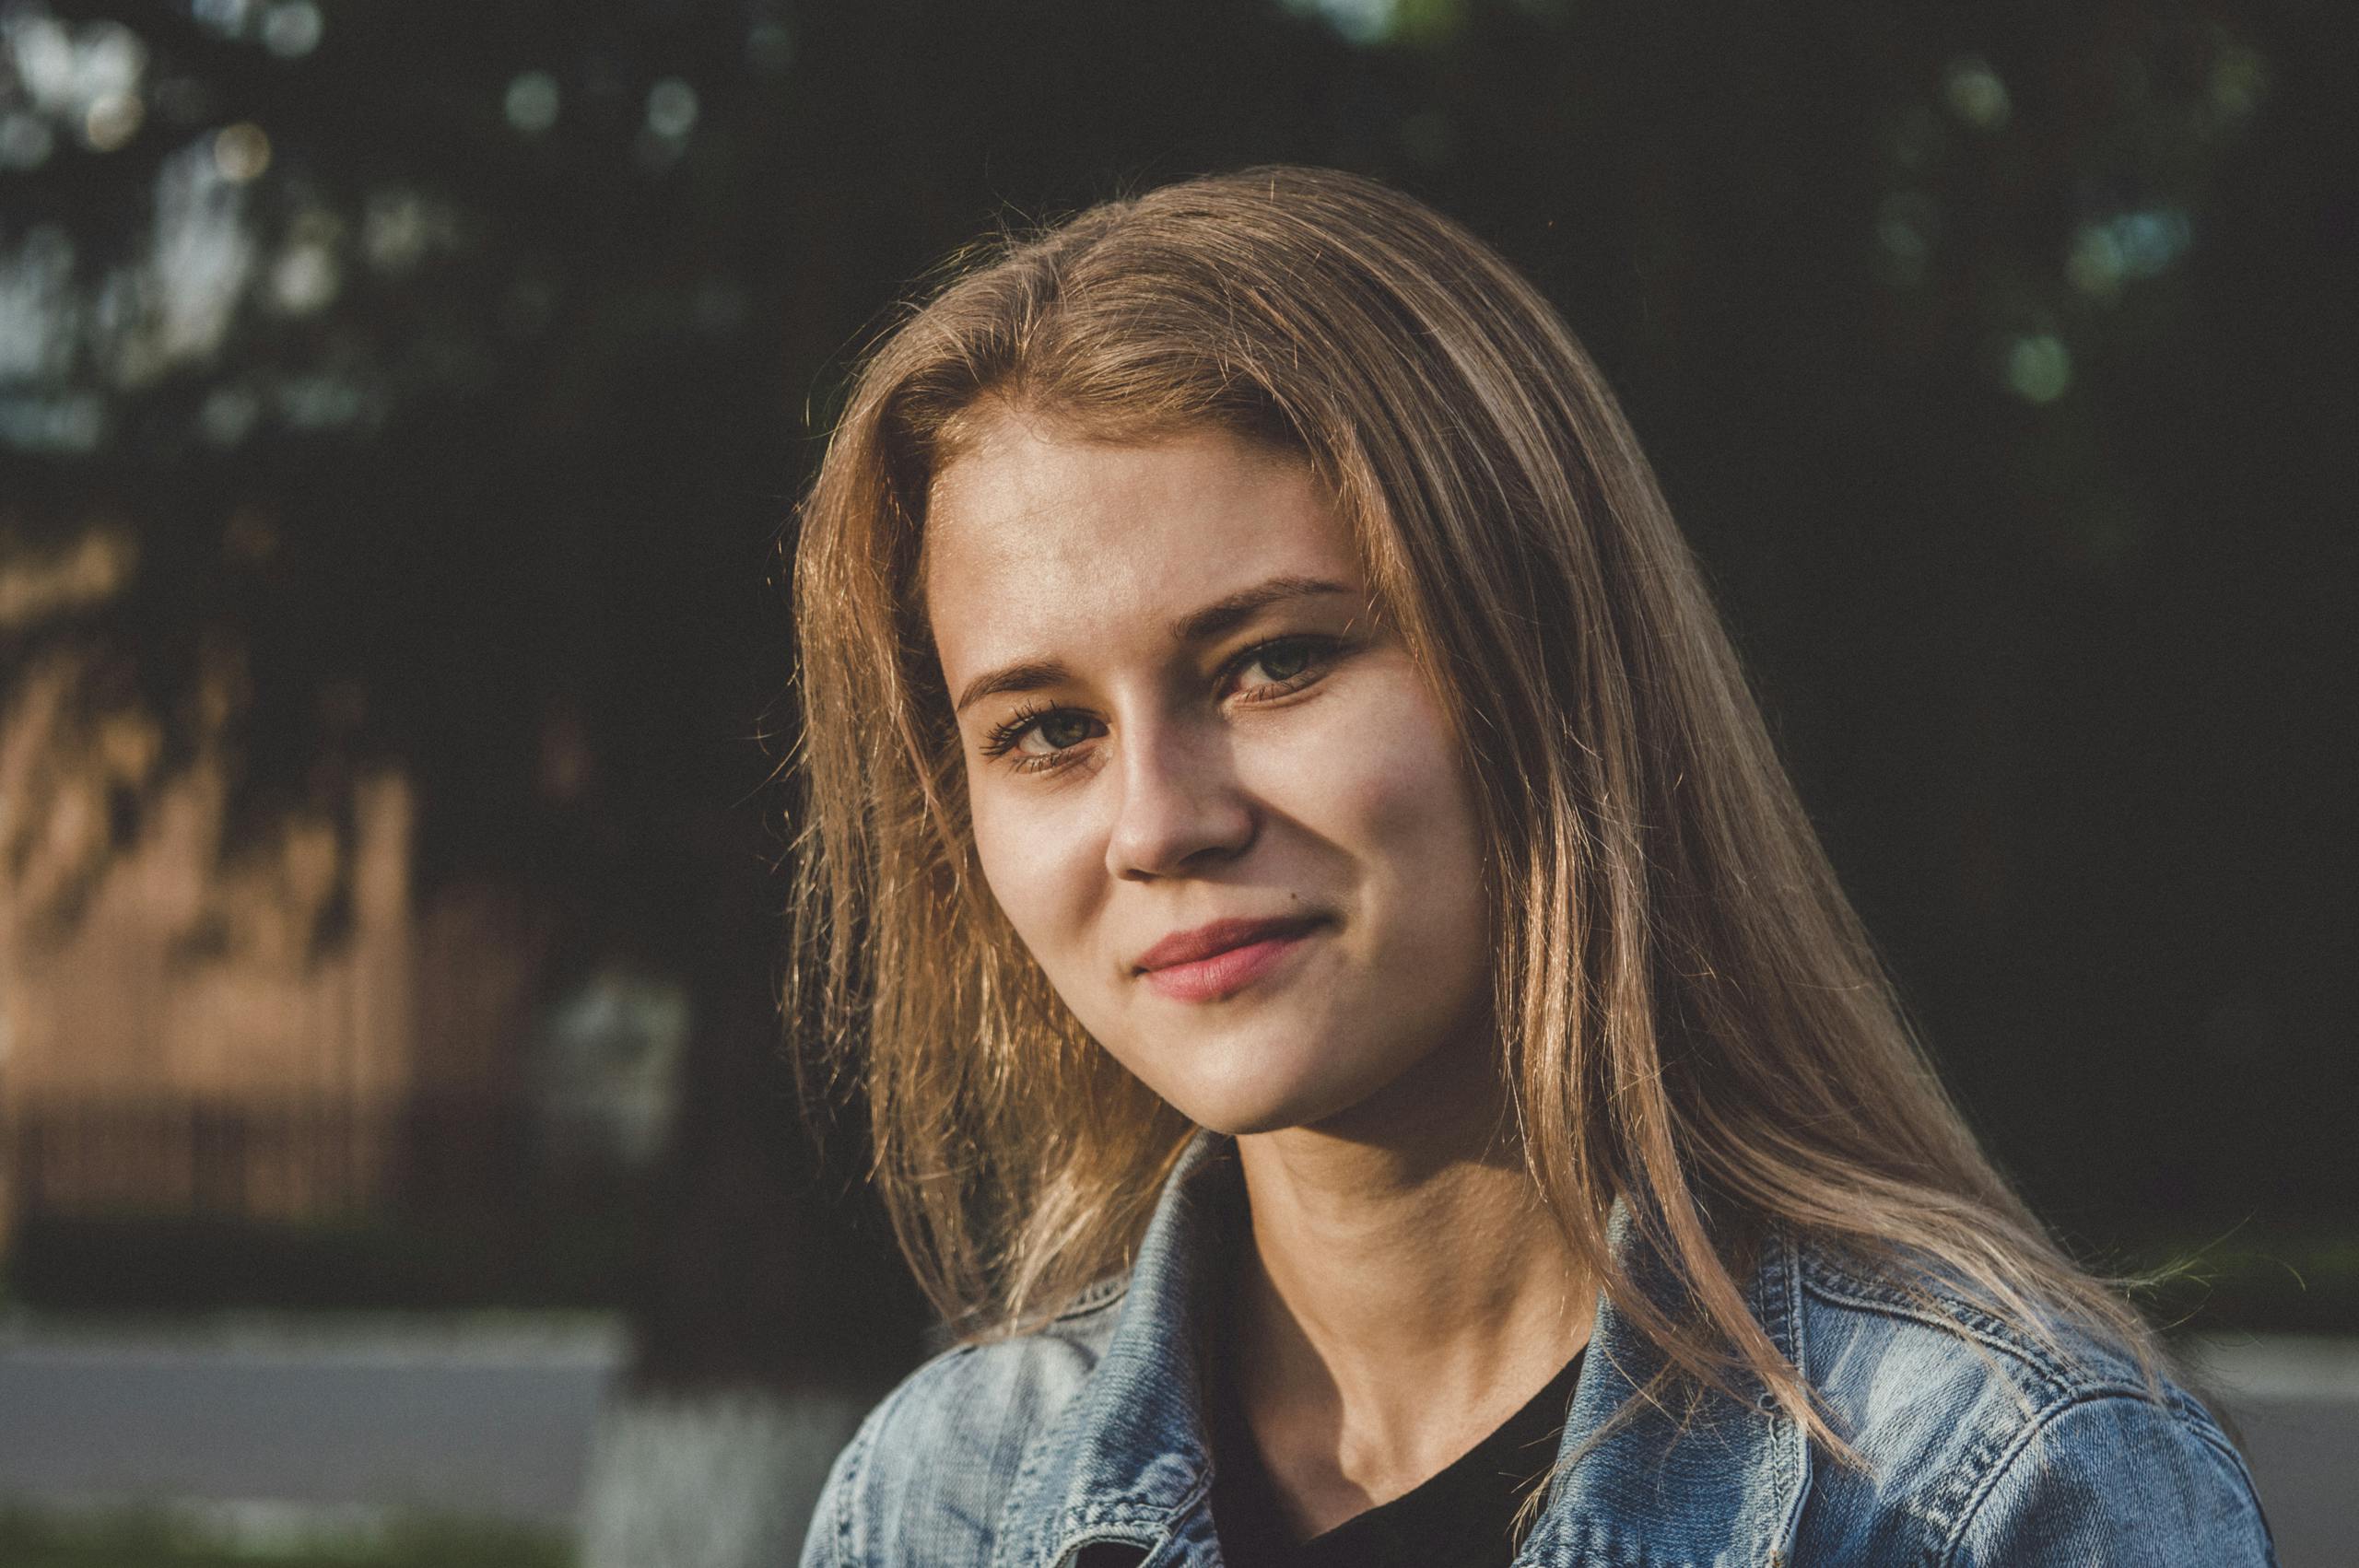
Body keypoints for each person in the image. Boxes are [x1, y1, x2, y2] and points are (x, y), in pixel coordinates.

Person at [785, 166, 2276, 1567]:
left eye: (1274, 662)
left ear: (1549, 665)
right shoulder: (943, 1499)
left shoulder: (1990, 1481)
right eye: (1045, 730)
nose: (1157, 822)